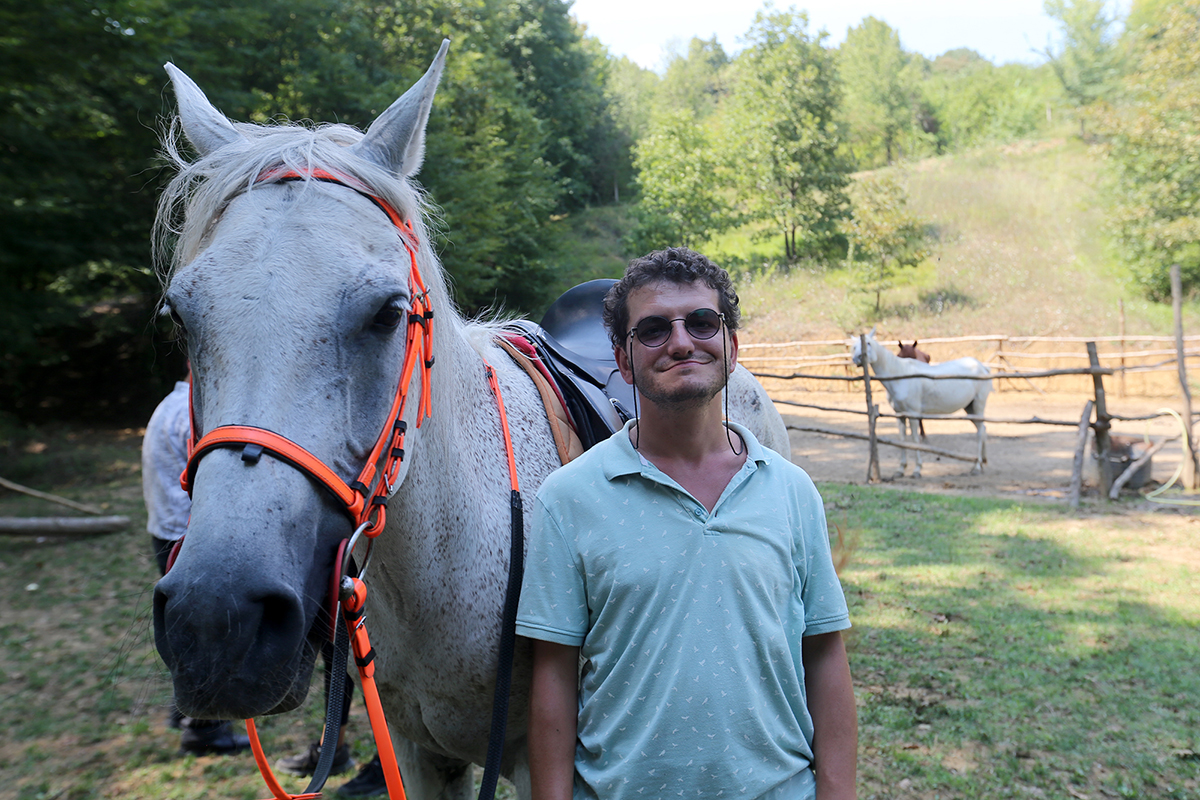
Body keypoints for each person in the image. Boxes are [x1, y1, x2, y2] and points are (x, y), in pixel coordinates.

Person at [516, 248, 857, 800]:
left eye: (701, 322)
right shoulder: (568, 499)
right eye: (652, 329)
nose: (680, 342)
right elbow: (553, 678)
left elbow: (824, 655)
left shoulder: (793, 492)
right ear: (623, 362)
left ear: (732, 345)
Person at [144, 380, 386, 797]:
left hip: (177, 534)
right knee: (337, 648)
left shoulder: (172, 407)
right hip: (209, 542)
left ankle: (341, 746)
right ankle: (343, 746)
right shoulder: (200, 413)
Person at [143, 378, 251, 756]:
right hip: (187, 535)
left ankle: (184, 710)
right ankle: (206, 732)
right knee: (212, 635)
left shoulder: (167, 405)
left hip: (164, 530)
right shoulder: (193, 414)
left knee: (186, 626)